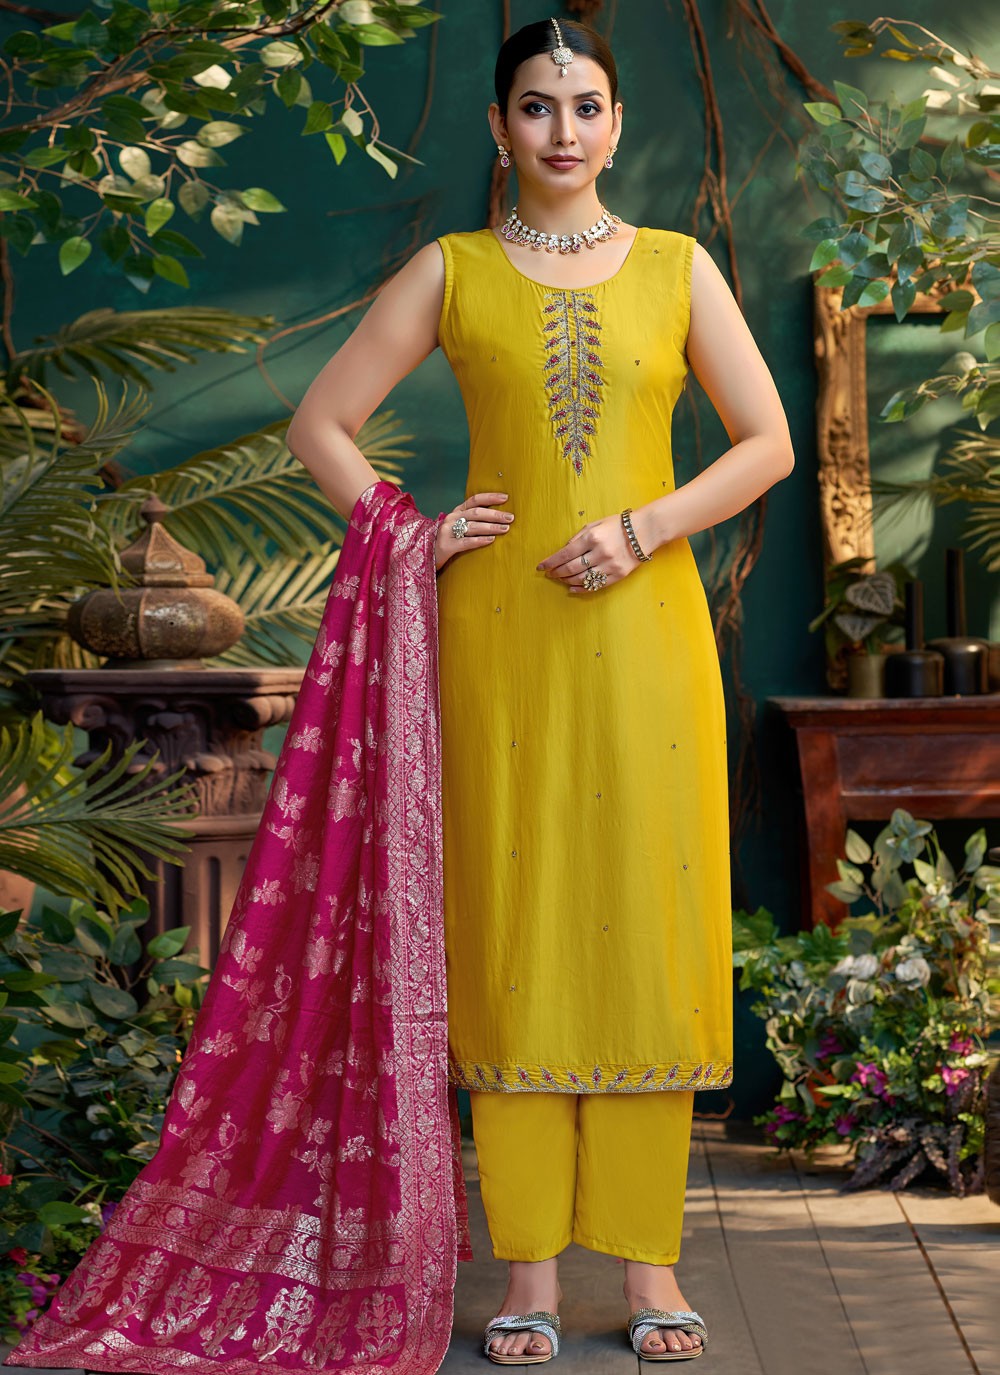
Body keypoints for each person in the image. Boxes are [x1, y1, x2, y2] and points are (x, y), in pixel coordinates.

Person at [285, 16, 794, 1365]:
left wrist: (643, 527)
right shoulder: (452, 272)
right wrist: (413, 532)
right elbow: (320, 424)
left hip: (647, 636)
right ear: (499, 127)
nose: (562, 131)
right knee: (513, 921)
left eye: (585, 106)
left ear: (617, 125)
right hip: (498, 635)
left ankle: (648, 1269)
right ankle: (526, 1274)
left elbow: (767, 444)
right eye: (535, 107)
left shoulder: (677, 269)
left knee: (644, 916)